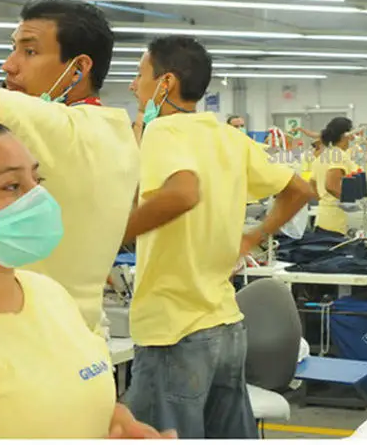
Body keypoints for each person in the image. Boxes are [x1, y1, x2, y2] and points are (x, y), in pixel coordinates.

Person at [122, 35, 314, 439]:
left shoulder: (163, 131)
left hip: (173, 328)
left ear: (166, 82)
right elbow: (299, 190)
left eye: (140, 74)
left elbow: (183, 192)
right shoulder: (228, 137)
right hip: (225, 326)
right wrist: (253, 237)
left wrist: (113, 236)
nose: (132, 85)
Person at [0, 118, 173, 439]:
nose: (40, 199)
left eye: (38, 179)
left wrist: (114, 421)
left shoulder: (49, 294)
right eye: (11, 186)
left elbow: (68, 397)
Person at [0, 0, 139, 336]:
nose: (9, 66)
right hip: (79, 337)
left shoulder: (66, 130)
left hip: (28, 339)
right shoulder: (116, 131)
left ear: (77, 69)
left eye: (29, 51)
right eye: (13, 49)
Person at [309, 117, 359, 236]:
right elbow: (331, 185)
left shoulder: (323, 156)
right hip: (336, 221)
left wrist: (325, 201)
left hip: (323, 218)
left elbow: (312, 185)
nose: (353, 138)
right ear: (345, 135)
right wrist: (348, 202)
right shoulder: (339, 155)